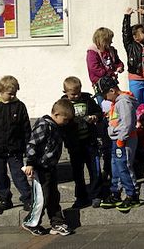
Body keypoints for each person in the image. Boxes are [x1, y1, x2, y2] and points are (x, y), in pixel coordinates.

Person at [0, 75, 32, 215]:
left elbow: (26, 128)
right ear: (1, 91)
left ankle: (28, 198)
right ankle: (5, 200)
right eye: (9, 94)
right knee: (0, 176)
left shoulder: (19, 106)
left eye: (15, 93)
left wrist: (28, 146)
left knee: (19, 175)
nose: (12, 96)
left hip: (15, 148)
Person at [21, 99, 74, 236]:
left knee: (53, 196)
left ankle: (57, 222)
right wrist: (30, 163)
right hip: (40, 168)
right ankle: (31, 222)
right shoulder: (44, 126)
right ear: (56, 114)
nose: (66, 122)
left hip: (50, 167)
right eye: (65, 119)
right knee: (41, 198)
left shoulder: (56, 127)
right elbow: (32, 144)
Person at [96, 75, 140, 213]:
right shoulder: (117, 103)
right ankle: (116, 192)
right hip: (117, 139)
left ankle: (132, 194)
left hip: (124, 140)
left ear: (112, 90)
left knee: (124, 166)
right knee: (116, 166)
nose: (104, 98)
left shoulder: (124, 102)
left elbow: (127, 123)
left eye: (104, 94)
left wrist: (121, 138)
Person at [60, 76, 103, 209]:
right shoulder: (63, 104)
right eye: (73, 94)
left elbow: (98, 111)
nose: (76, 96)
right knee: (78, 173)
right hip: (74, 144)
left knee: (94, 170)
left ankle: (96, 194)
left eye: (78, 92)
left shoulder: (87, 100)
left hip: (89, 141)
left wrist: (95, 116)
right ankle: (81, 197)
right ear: (65, 92)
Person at [123, 6, 144, 110]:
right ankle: (137, 124)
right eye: (142, 32)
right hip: (136, 79)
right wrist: (127, 17)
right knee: (137, 104)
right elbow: (125, 33)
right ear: (135, 36)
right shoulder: (130, 46)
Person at [86, 27, 124, 97]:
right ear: (103, 40)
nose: (111, 42)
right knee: (104, 103)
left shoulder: (111, 51)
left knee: (116, 99)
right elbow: (94, 68)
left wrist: (120, 66)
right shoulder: (92, 52)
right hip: (100, 83)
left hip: (112, 81)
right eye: (110, 40)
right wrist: (109, 74)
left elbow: (117, 62)